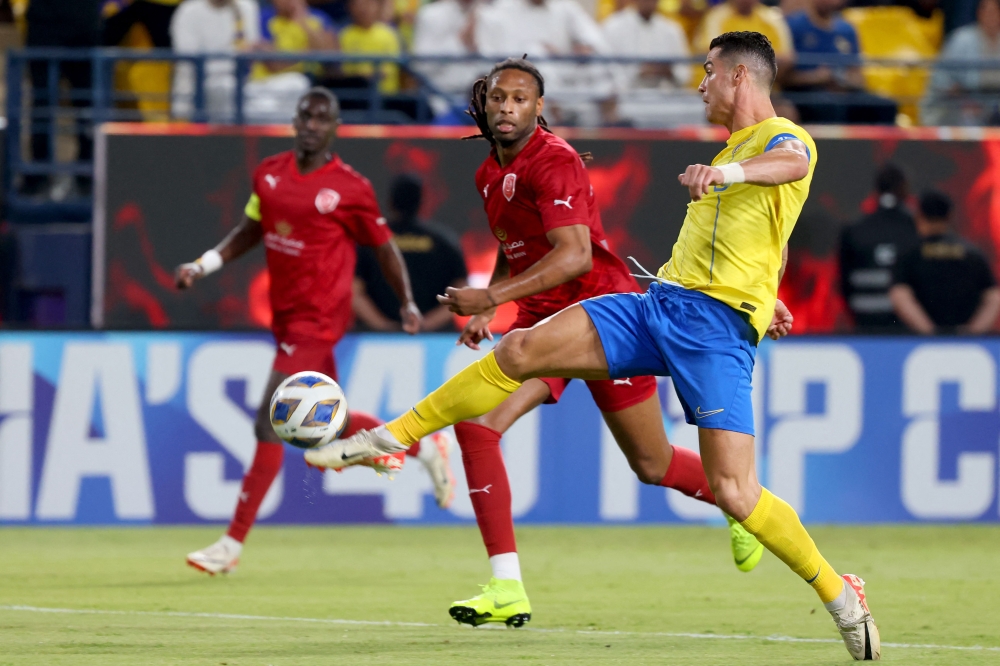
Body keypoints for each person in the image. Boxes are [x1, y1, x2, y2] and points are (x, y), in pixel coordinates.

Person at [307, 34, 882, 661]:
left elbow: (793, 164)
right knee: (519, 351)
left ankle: (840, 593)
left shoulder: (780, 139)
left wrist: (731, 179)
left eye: (709, 72)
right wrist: (764, 288)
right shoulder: (727, 149)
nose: (701, 84)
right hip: (658, 307)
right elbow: (761, 235)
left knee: (737, 492)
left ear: (740, 76)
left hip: (716, 337)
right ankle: (391, 437)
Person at [175, 89, 455, 575]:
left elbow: (385, 249)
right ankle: (422, 445)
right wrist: (203, 265)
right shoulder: (269, 174)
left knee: (270, 421)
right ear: (294, 121)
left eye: (320, 118)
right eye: (304, 115)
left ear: (334, 127)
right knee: (330, 421)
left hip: (320, 318)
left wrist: (408, 302)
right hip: (285, 318)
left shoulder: (351, 188)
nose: (310, 124)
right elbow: (248, 230)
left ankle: (230, 545)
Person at [353, 174, 469, 332]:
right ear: (421, 202)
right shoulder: (444, 242)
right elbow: (461, 292)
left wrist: (383, 327)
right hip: (436, 340)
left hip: (374, 341)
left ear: (390, 202)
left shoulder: (371, 240)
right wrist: (425, 325)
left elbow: (354, 292)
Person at [890, 190, 1000, 334]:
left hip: (922, 345)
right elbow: (993, 296)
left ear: (919, 215)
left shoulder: (910, 255)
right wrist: (973, 332)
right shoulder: (972, 253)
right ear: (950, 216)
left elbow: (900, 296)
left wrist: (930, 332)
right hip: (966, 344)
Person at [24, 0, 102, 198]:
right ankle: (40, 175)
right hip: (49, 23)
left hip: (80, 24)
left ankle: (87, 173)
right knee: (44, 103)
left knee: (86, 103)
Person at [783, 0, 897, 124]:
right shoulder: (792, 26)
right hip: (806, 92)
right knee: (829, 105)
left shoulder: (847, 30)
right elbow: (782, 76)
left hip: (844, 90)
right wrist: (816, 77)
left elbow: (857, 73)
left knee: (884, 106)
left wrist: (846, 81)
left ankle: (878, 143)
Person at [839, 163, 919, 332]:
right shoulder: (916, 228)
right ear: (904, 187)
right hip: (908, 327)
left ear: (877, 189)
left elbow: (843, 282)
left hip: (864, 322)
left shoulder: (854, 229)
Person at [602, 0, 703, 126]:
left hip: (665, 98)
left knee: (698, 109)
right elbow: (606, 73)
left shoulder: (671, 29)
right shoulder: (613, 26)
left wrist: (669, 72)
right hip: (628, 98)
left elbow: (685, 74)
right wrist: (639, 72)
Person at [170, 0, 262, 121]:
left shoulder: (247, 6)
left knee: (292, 84)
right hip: (196, 92)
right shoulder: (187, 11)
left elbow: (250, 53)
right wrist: (233, 58)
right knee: (225, 87)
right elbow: (189, 64)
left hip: (241, 89)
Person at [923, 0, 1000, 126]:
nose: (990, 15)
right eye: (986, 10)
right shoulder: (961, 39)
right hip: (963, 103)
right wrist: (964, 100)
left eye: (995, 11)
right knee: (967, 117)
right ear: (978, 13)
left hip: (995, 104)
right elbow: (942, 81)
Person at [695, 0, 794, 74]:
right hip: (720, 88)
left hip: (764, 90)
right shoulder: (716, 17)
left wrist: (738, 55)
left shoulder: (772, 18)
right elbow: (714, 53)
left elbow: (786, 58)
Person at [339, 0, 403, 95]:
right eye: (358, 5)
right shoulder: (344, 35)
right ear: (350, 7)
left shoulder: (389, 34)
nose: (364, 9)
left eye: (368, 4)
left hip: (386, 96)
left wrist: (366, 76)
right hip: (356, 95)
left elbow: (389, 69)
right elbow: (345, 70)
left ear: (377, 7)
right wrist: (362, 77)